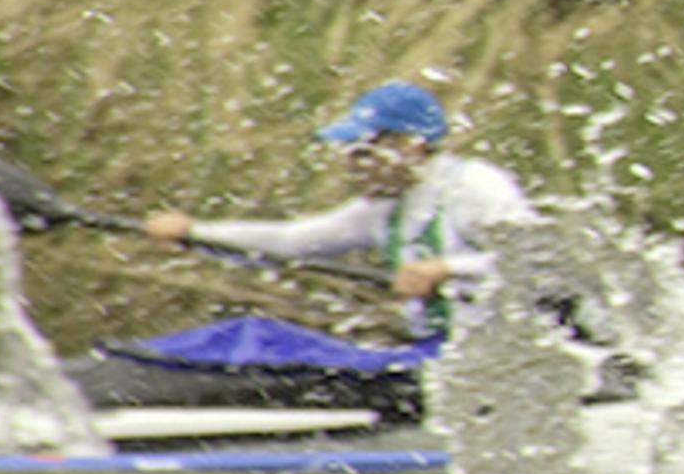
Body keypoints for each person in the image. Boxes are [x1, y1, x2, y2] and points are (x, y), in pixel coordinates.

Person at [142, 80, 532, 344]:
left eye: (363, 153)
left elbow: (544, 262)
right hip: (436, 355)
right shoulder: (386, 208)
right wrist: (195, 233)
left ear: (411, 146)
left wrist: (447, 269)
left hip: (506, 356)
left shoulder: (477, 186)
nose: (352, 165)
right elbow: (290, 243)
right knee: (258, 335)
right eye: (350, 154)